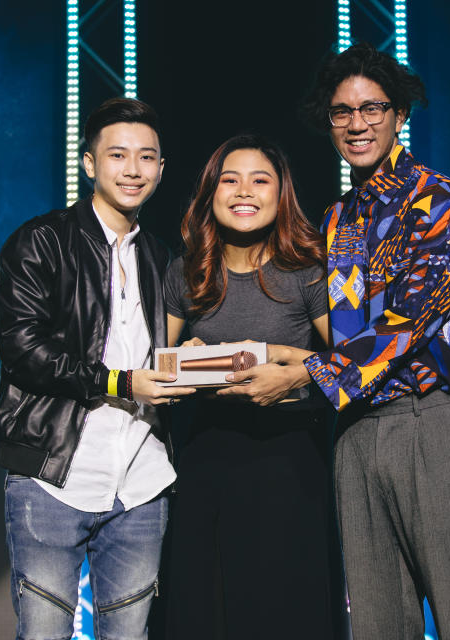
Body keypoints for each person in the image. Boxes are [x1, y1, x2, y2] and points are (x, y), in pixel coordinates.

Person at [222, 43, 450, 639]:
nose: (357, 124)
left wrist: (304, 374)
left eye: (372, 108)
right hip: (354, 431)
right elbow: (333, 332)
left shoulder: (438, 198)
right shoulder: (336, 219)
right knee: (376, 621)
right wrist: (272, 354)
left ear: (400, 115)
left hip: (430, 421)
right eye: (341, 112)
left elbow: (411, 318)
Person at [0, 97, 194, 640]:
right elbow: (20, 347)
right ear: (89, 164)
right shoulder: (41, 241)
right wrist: (119, 382)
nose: (133, 170)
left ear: (160, 169)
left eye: (147, 157)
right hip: (52, 475)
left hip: (141, 481)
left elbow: (178, 352)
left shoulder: (162, 257)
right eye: (118, 155)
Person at [162, 134, 337, 639]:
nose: (244, 192)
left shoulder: (306, 272)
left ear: (280, 194)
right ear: (210, 193)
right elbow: (158, 370)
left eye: (260, 180)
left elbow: (345, 365)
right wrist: (186, 364)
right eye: (229, 180)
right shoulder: (185, 272)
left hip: (289, 459)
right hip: (204, 459)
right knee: (205, 608)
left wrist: (285, 362)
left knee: (282, 609)